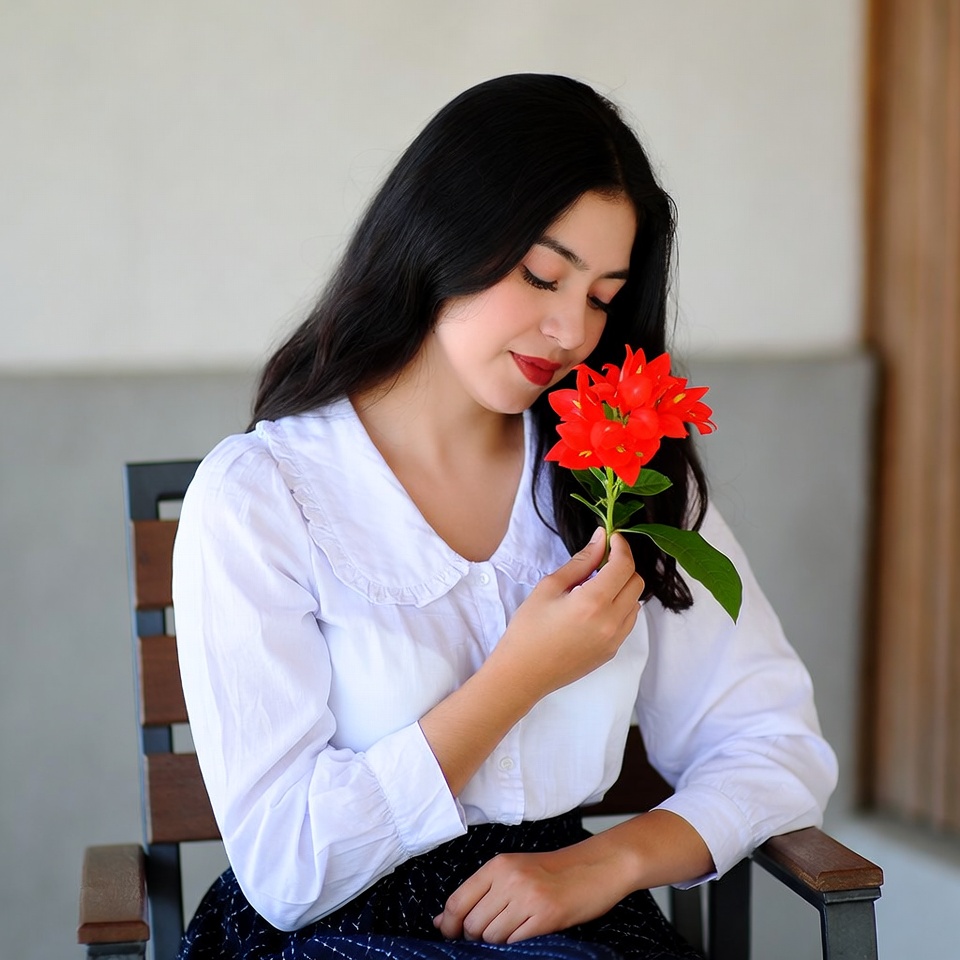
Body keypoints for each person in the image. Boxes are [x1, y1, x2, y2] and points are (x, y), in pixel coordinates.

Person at [172, 74, 838, 960]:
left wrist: (605, 862)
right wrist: (519, 677)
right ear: (440, 236)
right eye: (541, 274)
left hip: (572, 921)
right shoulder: (263, 497)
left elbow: (772, 743)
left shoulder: (618, 470)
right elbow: (290, 869)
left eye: (602, 296)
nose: (571, 330)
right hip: (341, 933)